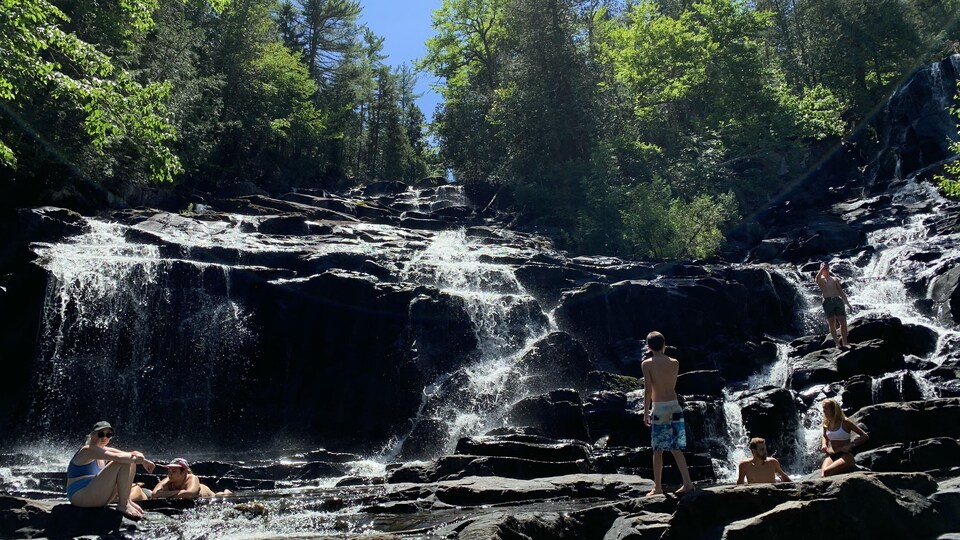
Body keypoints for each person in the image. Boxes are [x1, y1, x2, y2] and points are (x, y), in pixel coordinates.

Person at [65, 421, 156, 520]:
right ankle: (123, 504)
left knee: (129, 461)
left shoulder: (104, 450)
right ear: (92, 435)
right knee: (122, 461)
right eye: (101, 434)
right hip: (79, 497)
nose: (104, 438)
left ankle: (126, 501)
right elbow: (120, 457)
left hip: (94, 496)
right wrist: (138, 459)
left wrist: (144, 461)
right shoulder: (87, 450)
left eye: (108, 435)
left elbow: (131, 454)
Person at [641, 331, 695, 496]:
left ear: (648, 347)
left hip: (660, 407)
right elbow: (671, 384)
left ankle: (657, 487)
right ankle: (687, 482)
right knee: (675, 447)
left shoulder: (647, 364)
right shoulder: (674, 362)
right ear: (664, 345)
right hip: (674, 406)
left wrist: (646, 412)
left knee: (658, 450)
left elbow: (649, 389)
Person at [820, 399, 869, 477]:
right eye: (823, 408)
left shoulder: (845, 422)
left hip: (846, 455)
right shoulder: (826, 423)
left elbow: (864, 436)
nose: (824, 411)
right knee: (823, 475)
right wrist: (824, 445)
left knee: (827, 472)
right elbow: (824, 436)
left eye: (826, 408)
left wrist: (851, 445)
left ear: (833, 409)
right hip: (832, 455)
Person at [815, 261, 854, 348]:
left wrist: (847, 303)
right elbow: (816, 280)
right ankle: (837, 343)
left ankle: (845, 342)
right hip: (827, 301)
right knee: (831, 322)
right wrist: (822, 268)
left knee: (843, 321)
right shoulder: (820, 279)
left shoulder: (835, 279)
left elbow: (841, 291)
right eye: (824, 267)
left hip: (837, 300)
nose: (826, 269)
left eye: (827, 267)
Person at [151, 458, 231, 499]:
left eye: (174, 471)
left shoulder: (192, 478)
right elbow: (154, 494)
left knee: (218, 496)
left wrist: (164, 494)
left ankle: (227, 492)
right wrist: (181, 492)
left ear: (184, 472)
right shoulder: (168, 479)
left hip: (208, 495)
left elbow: (190, 494)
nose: (170, 474)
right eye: (169, 471)